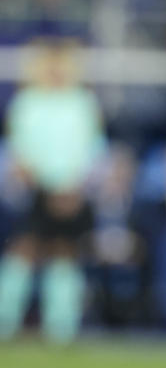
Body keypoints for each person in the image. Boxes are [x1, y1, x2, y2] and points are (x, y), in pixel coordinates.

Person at [0, 39, 105, 344]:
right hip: (35, 190)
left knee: (65, 253)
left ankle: (61, 327)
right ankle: (5, 320)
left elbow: (94, 150)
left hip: (73, 192)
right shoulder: (26, 102)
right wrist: (44, 185)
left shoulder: (83, 103)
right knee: (23, 250)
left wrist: (74, 187)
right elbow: (17, 151)